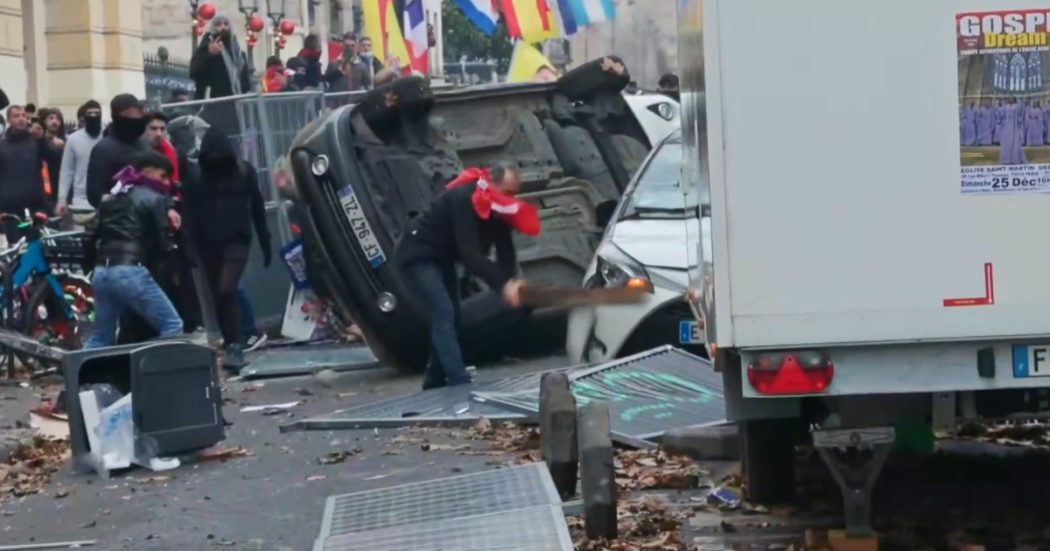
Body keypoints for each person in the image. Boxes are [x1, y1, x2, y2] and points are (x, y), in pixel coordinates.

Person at [394, 163, 532, 390]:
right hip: (417, 253)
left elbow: (506, 252)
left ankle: (434, 379)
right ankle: (459, 380)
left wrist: (508, 285)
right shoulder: (464, 198)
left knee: (454, 316)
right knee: (443, 310)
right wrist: (500, 284)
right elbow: (469, 254)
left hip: (443, 256)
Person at [183, 127, 271, 368]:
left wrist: (265, 240)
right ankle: (233, 343)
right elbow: (188, 213)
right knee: (219, 297)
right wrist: (189, 246)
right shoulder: (196, 176)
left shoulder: (244, 172)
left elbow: (257, 207)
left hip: (236, 240)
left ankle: (235, 343)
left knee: (226, 290)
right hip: (208, 243)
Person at [83, 151, 183, 349]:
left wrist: (90, 266)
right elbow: (164, 243)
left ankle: (76, 375)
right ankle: (141, 368)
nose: (166, 183)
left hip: (102, 271)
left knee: (100, 337)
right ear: (148, 173)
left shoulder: (111, 197)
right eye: (163, 176)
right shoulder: (155, 198)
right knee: (172, 326)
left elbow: (90, 236)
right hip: (131, 270)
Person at [0, 105, 61, 239]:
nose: (21, 119)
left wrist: (42, 139)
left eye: (24, 116)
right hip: (9, 208)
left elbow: (55, 158)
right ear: (9, 120)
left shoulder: (35, 142)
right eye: (17, 116)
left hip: (35, 206)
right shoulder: (2, 146)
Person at [86, 94, 149, 208]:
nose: (141, 116)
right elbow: (95, 194)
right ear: (121, 116)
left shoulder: (145, 144)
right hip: (120, 219)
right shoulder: (103, 149)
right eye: (136, 112)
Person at [57, 100, 104, 228]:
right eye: (90, 113)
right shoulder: (73, 140)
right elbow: (67, 170)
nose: (94, 116)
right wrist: (62, 199)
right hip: (80, 202)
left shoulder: (108, 136)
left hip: (105, 199)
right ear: (84, 117)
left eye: (97, 113)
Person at [190, 14, 251, 99]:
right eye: (219, 24)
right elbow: (194, 73)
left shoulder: (238, 54)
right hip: (213, 102)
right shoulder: (205, 50)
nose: (223, 27)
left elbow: (245, 80)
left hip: (235, 101)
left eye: (226, 24)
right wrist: (209, 55)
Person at [145, 112, 180, 184]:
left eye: (162, 129)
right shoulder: (135, 150)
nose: (159, 134)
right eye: (153, 128)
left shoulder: (168, 147)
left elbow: (173, 180)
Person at [999, 98, 1027, 165]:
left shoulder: (1017, 107)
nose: (1009, 99)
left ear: (1014, 100)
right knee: (1006, 143)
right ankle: (1006, 159)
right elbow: (1000, 116)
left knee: (1015, 143)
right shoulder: (1005, 107)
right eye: (1009, 98)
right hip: (1006, 128)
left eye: (1011, 98)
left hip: (1015, 128)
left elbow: (1022, 111)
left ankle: (1015, 159)